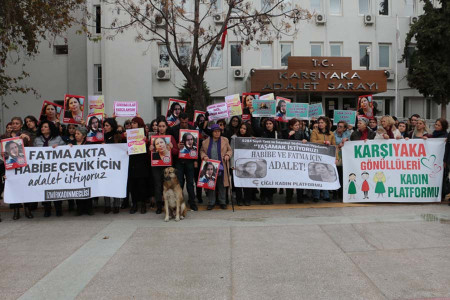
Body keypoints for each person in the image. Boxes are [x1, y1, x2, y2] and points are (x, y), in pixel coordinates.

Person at [34, 120, 67, 217]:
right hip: (42, 168)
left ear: (50, 129)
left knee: (56, 188)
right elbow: (33, 153)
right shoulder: (37, 140)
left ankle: (58, 208)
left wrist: (59, 147)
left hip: (55, 168)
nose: (42, 128)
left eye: (45, 127)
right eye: (42, 127)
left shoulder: (58, 138)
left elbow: (66, 151)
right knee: (45, 188)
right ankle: (47, 209)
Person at [200, 124, 232, 210]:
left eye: (219, 131)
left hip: (222, 166)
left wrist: (227, 155)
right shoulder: (205, 142)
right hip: (211, 166)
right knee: (211, 185)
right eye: (215, 131)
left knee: (222, 185)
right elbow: (202, 151)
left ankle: (222, 202)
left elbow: (230, 150)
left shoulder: (225, 140)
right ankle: (211, 202)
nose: (217, 133)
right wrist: (204, 156)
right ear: (212, 132)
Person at [151, 119, 179, 214]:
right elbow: (150, 155)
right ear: (157, 127)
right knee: (157, 185)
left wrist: (172, 148)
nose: (161, 128)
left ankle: (172, 205)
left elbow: (176, 152)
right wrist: (150, 149)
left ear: (166, 127)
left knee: (169, 185)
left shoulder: (170, 138)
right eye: (160, 126)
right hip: (156, 166)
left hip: (167, 166)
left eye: (163, 126)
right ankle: (159, 206)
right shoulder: (153, 137)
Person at [127, 117, 152, 214]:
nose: (132, 124)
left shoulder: (145, 135)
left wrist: (146, 142)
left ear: (139, 124)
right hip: (132, 163)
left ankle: (143, 204)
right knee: (133, 186)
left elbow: (149, 148)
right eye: (132, 123)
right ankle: (134, 204)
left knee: (142, 185)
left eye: (134, 123)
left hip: (142, 163)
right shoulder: (129, 135)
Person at [68, 126, 94, 216]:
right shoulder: (71, 143)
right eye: (75, 134)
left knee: (87, 189)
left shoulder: (89, 144)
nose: (76, 135)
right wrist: (68, 147)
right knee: (78, 189)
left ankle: (88, 208)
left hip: (87, 170)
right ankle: (79, 208)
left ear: (83, 136)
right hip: (76, 171)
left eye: (78, 134)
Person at [252, 118, 279, 204]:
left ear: (273, 125)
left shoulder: (277, 134)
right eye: (267, 123)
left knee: (271, 179)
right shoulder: (262, 132)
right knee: (263, 177)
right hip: (263, 160)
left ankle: (270, 197)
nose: (268, 125)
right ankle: (263, 196)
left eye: (270, 123)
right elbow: (255, 127)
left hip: (273, 160)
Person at [310, 116, 337, 202]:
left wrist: (336, 157)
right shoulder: (315, 132)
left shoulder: (331, 133)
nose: (320, 124)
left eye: (322, 122)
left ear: (326, 124)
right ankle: (316, 195)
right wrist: (324, 142)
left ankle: (326, 195)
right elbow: (313, 141)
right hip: (317, 156)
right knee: (317, 176)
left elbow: (334, 146)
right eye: (319, 122)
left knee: (325, 175)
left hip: (327, 157)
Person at [283, 118, 308, 204]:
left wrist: (305, 141)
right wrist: (289, 136)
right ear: (291, 126)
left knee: (299, 178)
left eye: (298, 125)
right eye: (296, 125)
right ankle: (289, 197)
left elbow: (307, 140)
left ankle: (299, 197)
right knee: (289, 178)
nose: (298, 127)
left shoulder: (301, 132)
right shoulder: (285, 132)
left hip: (299, 160)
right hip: (289, 160)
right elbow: (281, 143)